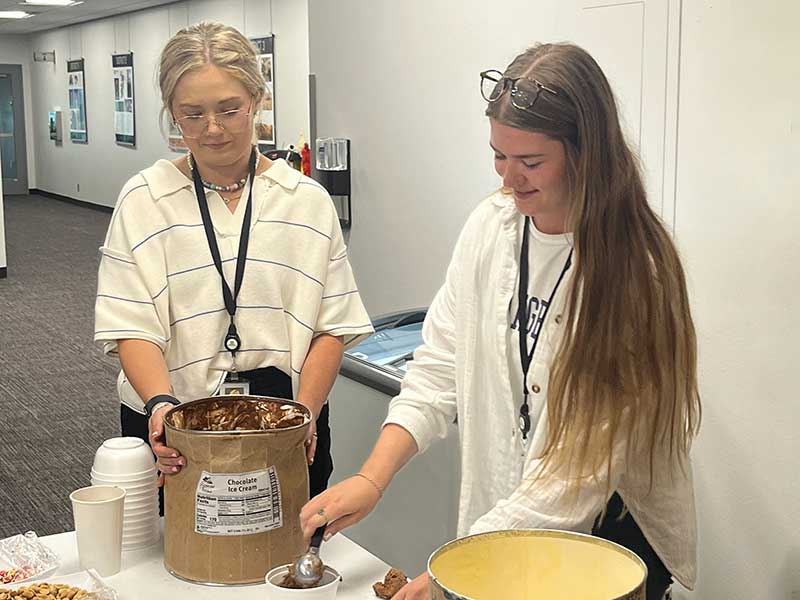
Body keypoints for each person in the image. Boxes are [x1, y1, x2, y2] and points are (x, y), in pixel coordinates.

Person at [300, 43, 700, 600]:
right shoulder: (492, 228)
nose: (509, 180)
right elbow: (439, 367)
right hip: (512, 524)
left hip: (604, 539)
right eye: (498, 156)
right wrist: (373, 477)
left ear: (588, 154)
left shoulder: (637, 273)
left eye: (531, 162)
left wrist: (454, 576)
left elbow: (575, 475)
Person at [94, 21, 372, 504]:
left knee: (286, 554)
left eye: (229, 109)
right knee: (174, 557)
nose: (213, 129)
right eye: (192, 114)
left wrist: (305, 412)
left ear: (257, 99)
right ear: (172, 114)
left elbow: (332, 326)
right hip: (172, 419)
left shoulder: (304, 200)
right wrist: (160, 407)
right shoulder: (144, 199)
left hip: (285, 415)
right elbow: (130, 324)